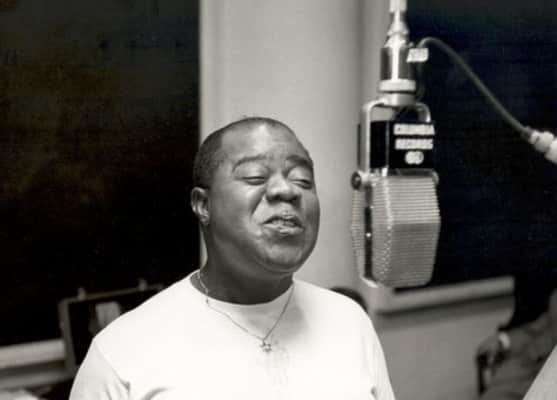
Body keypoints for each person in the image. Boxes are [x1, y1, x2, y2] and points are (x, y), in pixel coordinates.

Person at [69, 117, 396, 399]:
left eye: (302, 180)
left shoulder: (349, 322)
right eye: (255, 177)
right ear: (203, 205)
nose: (288, 191)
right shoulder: (121, 353)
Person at [477, 270, 557, 400]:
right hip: (531, 369)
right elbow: (536, 329)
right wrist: (503, 340)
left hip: (551, 380)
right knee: (494, 395)